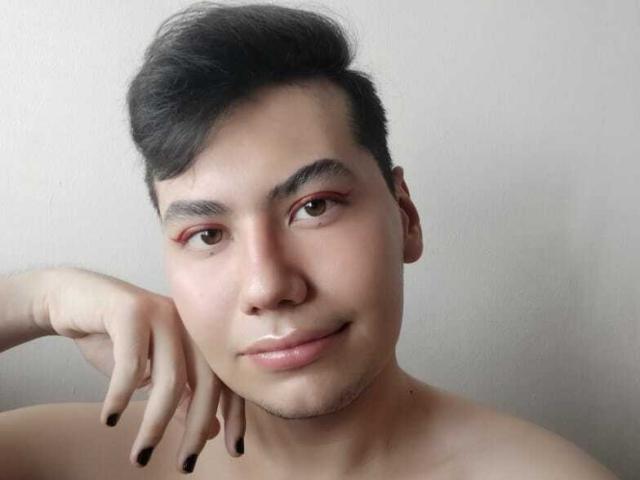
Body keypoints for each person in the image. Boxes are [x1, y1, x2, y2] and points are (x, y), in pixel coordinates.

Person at [0, 3, 619, 479]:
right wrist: (38, 300)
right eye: (207, 234)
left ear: (405, 216)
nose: (269, 286)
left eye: (314, 207)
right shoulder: (81, 459)